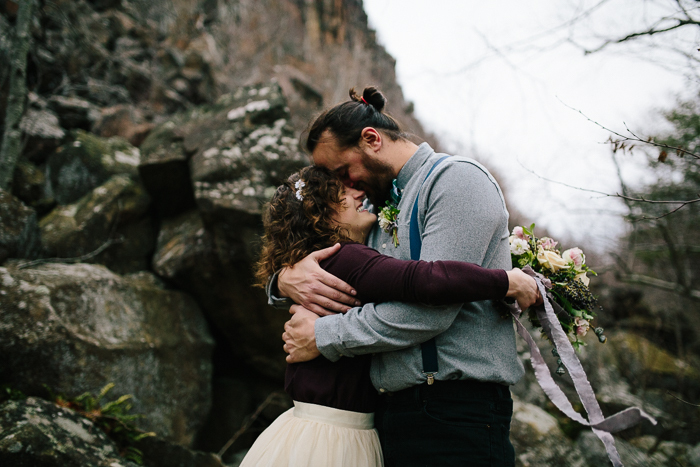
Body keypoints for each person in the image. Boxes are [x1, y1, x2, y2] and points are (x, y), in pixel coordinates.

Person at [274, 87, 529, 466]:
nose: (347, 188)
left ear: (372, 140)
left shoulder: (456, 182)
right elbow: (341, 267)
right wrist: (282, 279)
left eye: (344, 172)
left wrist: (324, 336)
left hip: (454, 414)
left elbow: (432, 310)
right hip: (390, 414)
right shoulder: (374, 207)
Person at [242, 166, 539, 466]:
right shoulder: (347, 258)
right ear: (322, 214)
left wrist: (280, 281)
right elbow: (427, 280)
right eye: (342, 194)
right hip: (336, 441)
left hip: (305, 430)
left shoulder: (315, 266)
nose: (359, 193)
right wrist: (505, 281)